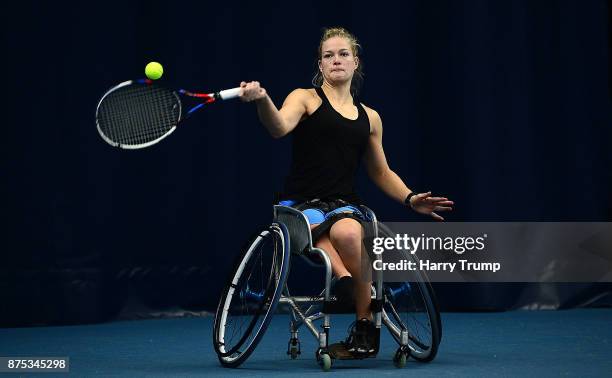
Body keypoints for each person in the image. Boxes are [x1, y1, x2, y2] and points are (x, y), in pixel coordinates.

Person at [238, 27, 453, 357]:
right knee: (310, 227)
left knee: (351, 234)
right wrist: (262, 99)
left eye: (343, 54)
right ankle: (345, 282)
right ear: (320, 66)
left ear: (356, 63)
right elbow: (278, 126)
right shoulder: (305, 98)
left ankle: (365, 328)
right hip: (300, 205)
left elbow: (381, 172)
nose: (335, 60)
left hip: (343, 204)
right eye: (328, 55)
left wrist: (410, 198)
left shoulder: (371, 118)